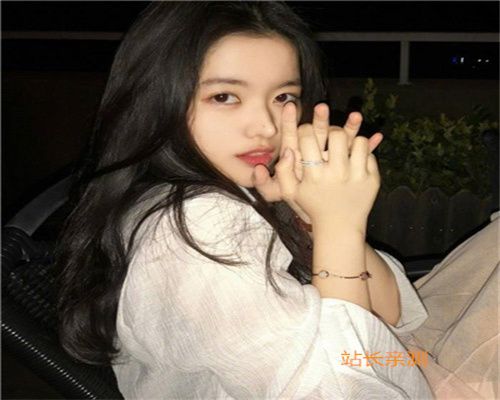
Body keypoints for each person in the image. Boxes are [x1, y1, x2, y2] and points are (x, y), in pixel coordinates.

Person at [55, 2, 449, 398]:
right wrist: (340, 225)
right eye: (224, 96)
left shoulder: (234, 191)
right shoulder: (197, 221)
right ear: (157, 100)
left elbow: (390, 314)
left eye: (284, 97)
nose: (266, 126)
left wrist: (315, 218)